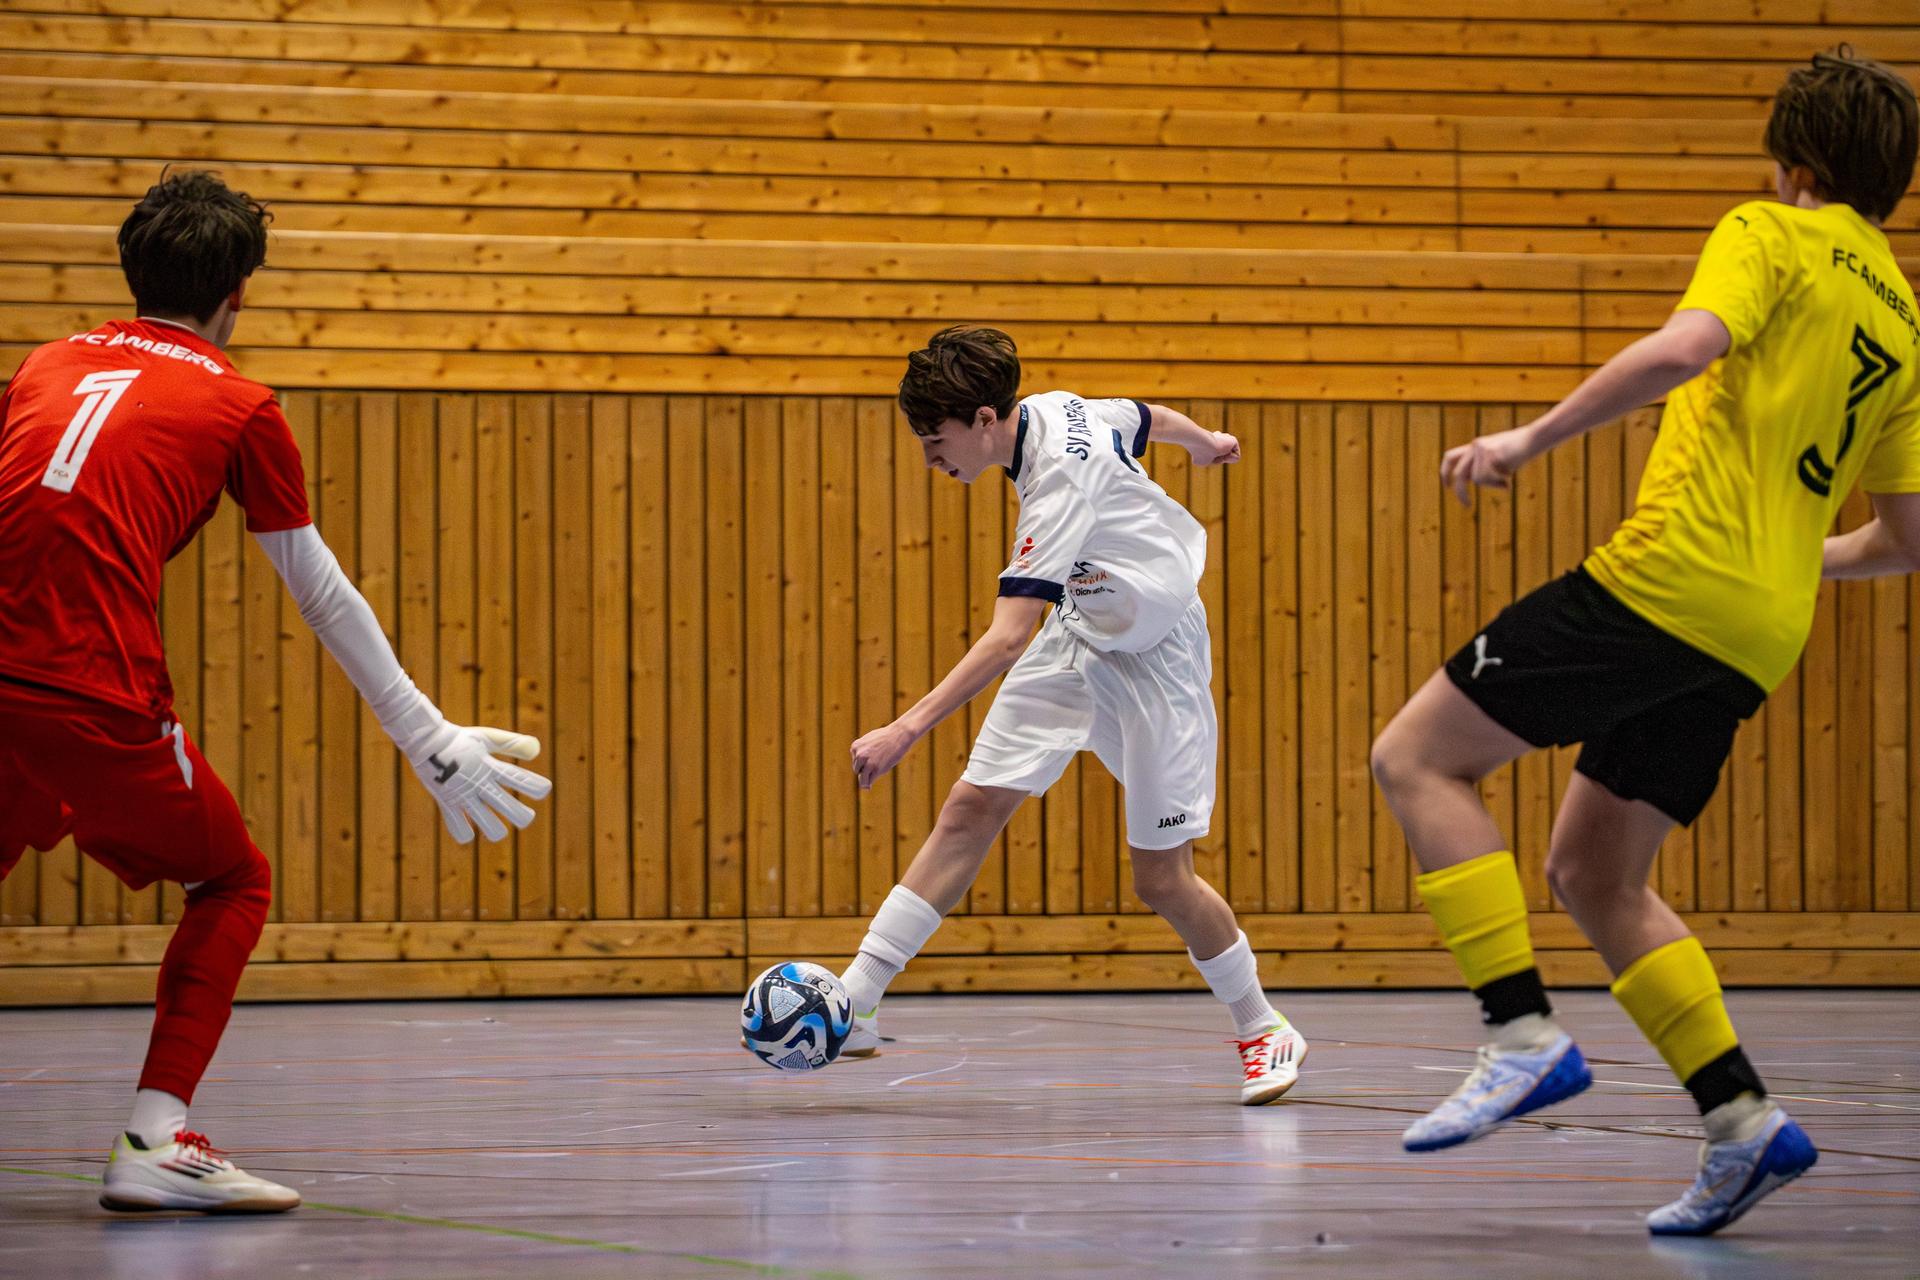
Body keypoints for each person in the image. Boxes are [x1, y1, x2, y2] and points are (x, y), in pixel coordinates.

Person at [1368, 48, 1919, 1235]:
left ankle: (1518, 1030)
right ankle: (1742, 1122)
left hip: (1670, 580)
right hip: (1755, 628)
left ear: (1794, 163)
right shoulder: (1906, 318)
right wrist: (1786, 563)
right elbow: (1905, 538)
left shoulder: (1772, 230)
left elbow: (1682, 349)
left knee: (1416, 756)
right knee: (1596, 872)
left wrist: (1528, 439)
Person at [0, 171, 553, 1213]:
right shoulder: (238, 401)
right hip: (93, 692)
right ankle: (155, 1136)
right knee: (232, 879)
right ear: (237, 294)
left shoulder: (43, 364)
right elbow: (322, 591)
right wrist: (426, 734)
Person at [837, 325, 1307, 1104]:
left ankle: (1263, 1028)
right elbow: (1143, 416)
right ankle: (856, 1000)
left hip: (1157, 660)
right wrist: (1206, 441)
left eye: (935, 440)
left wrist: (905, 729)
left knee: (1161, 878)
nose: (929, 458)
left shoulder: (1056, 485)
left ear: (985, 419)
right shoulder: (1056, 408)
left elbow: (1006, 637)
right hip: (1079, 632)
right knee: (970, 807)